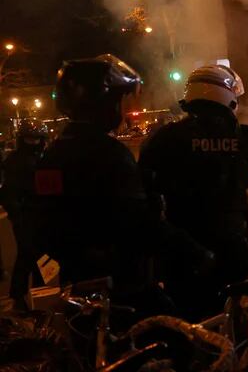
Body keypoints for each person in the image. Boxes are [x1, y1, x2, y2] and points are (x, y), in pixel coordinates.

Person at [22, 55, 212, 311]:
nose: (123, 110)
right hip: (119, 284)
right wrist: (196, 253)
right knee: (177, 335)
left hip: (73, 283)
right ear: (103, 103)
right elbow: (138, 221)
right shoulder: (108, 153)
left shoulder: (54, 153)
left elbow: (42, 223)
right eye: (119, 101)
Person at [139, 64, 248, 319]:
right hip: (229, 245)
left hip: (181, 247)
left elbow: (145, 186)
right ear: (227, 97)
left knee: (190, 321)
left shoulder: (164, 138)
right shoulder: (242, 135)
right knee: (237, 316)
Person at [0, 118, 48, 304]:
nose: (34, 143)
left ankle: (37, 293)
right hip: (26, 215)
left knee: (38, 257)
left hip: (39, 215)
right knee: (28, 255)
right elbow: (8, 193)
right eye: (30, 139)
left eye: (37, 139)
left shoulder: (42, 158)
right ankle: (19, 295)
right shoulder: (16, 161)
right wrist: (17, 216)